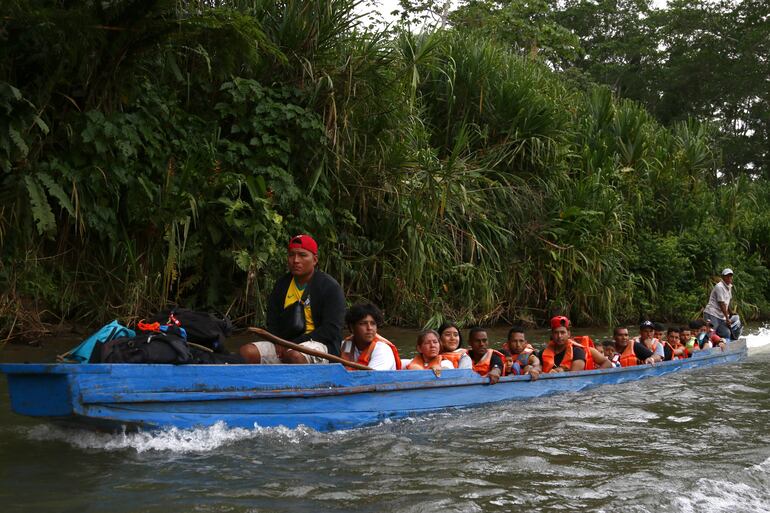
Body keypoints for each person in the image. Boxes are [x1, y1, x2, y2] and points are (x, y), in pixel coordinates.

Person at [240, 234, 346, 364]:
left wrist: (293, 344)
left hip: (319, 344)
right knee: (247, 352)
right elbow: (272, 321)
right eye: (291, 255)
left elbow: (331, 330)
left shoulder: (330, 287)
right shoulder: (282, 284)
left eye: (302, 255)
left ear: (314, 259)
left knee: (294, 356)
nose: (295, 260)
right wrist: (277, 341)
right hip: (283, 343)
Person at [339, 303, 401, 370]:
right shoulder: (344, 345)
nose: (369, 328)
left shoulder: (382, 350)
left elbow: (371, 378)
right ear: (352, 327)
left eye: (373, 323)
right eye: (363, 323)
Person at [539, 316, 611, 373]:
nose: (559, 336)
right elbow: (537, 366)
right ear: (552, 334)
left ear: (568, 334)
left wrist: (595, 377)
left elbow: (573, 378)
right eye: (556, 333)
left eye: (562, 332)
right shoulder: (542, 353)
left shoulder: (577, 351)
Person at [704, 268, 742, 340]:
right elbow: (721, 304)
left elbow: (727, 302)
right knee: (710, 332)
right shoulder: (719, 286)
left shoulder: (729, 287)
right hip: (712, 313)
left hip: (721, 316)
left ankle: (723, 345)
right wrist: (727, 319)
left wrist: (731, 313)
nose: (729, 278)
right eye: (727, 276)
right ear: (723, 277)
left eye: (730, 276)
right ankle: (707, 346)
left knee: (726, 333)